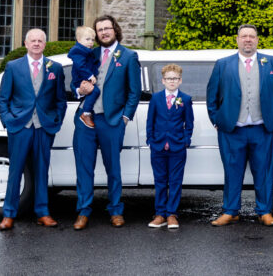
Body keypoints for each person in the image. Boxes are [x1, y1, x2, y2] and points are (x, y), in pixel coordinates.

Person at [206, 24, 273, 226]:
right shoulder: (223, 64)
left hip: (264, 129)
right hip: (233, 130)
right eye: (244, 36)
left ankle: (264, 211)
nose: (248, 39)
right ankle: (230, 211)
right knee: (232, 171)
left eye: (252, 36)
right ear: (237, 40)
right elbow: (212, 95)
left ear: (257, 40)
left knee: (265, 171)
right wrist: (217, 120)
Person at [71, 15, 141, 230]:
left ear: (115, 30)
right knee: (84, 168)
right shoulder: (89, 52)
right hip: (85, 119)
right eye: (99, 29)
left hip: (112, 121)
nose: (103, 32)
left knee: (113, 169)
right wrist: (78, 90)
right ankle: (83, 212)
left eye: (107, 28)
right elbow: (75, 81)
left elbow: (134, 92)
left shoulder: (129, 56)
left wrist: (125, 118)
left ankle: (116, 210)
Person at [0, 28, 67, 230]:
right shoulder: (13, 67)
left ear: (45, 44)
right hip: (20, 126)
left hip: (44, 127)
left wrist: (56, 121)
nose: (36, 43)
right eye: (32, 40)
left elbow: (60, 99)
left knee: (42, 171)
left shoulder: (56, 68)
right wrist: (9, 121)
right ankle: (9, 214)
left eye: (40, 41)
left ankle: (43, 212)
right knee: (15, 171)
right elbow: (3, 99)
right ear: (25, 44)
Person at [146, 63, 194, 229]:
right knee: (160, 181)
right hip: (158, 146)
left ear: (180, 81)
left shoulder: (185, 99)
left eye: (175, 78)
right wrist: (150, 140)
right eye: (168, 79)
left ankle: (172, 214)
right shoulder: (156, 98)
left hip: (177, 147)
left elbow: (189, 123)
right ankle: (160, 214)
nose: (172, 81)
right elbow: (150, 121)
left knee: (175, 181)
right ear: (163, 81)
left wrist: (186, 140)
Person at [67, 26, 99, 129]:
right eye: (87, 39)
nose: (91, 42)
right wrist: (90, 76)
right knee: (95, 91)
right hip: (80, 80)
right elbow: (80, 66)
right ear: (78, 40)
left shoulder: (87, 51)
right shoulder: (78, 51)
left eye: (92, 40)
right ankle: (86, 113)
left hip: (84, 78)